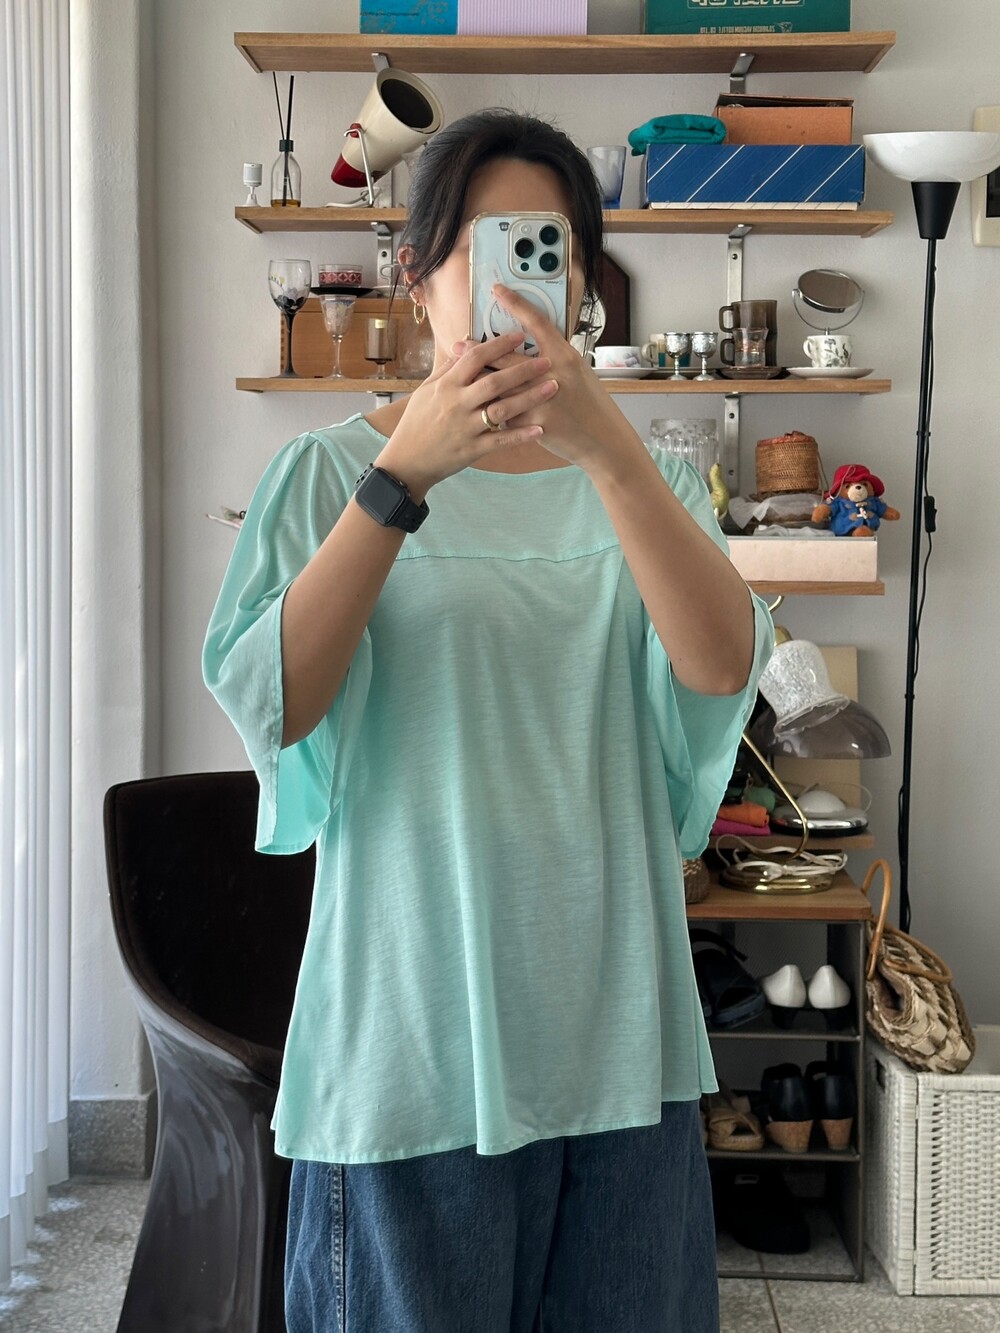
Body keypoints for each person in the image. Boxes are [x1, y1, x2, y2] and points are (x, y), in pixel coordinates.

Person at [204, 108, 773, 1333]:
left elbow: (722, 666)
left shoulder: (654, 483)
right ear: (418, 278)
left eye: (551, 248)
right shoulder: (326, 476)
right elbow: (279, 704)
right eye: (490, 245)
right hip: (410, 1037)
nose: (524, 278)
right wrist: (401, 478)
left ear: (584, 286)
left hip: (619, 1036)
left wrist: (610, 455)